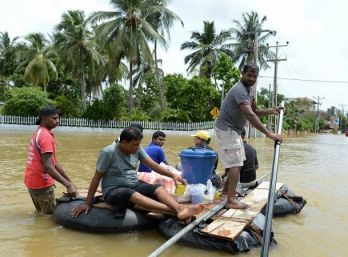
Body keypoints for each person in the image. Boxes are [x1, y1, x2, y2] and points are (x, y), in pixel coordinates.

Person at [71, 127, 203, 221]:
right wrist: (87, 203)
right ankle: (177, 210)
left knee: (157, 188)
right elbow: (96, 178)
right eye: (135, 145)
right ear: (124, 143)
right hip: (113, 191)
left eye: (138, 144)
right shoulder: (108, 152)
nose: (138, 147)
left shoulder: (137, 149)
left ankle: (179, 208)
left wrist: (173, 175)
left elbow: (154, 166)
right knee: (132, 194)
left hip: (133, 185)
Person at [215, 63, 283, 209]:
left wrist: (272, 110)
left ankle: (227, 192)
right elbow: (249, 114)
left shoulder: (250, 90)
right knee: (236, 163)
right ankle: (231, 200)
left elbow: (255, 110)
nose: (252, 78)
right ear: (243, 74)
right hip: (227, 129)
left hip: (235, 131)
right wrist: (269, 134)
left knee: (238, 161)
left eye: (255, 76)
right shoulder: (239, 89)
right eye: (249, 75)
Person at [24, 106, 77, 215]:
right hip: (42, 184)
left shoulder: (39, 132)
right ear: (44, 118)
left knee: (40, 214)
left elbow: (54, 162)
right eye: (54, 118)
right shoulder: (45, 136)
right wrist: (68, 185)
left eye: (58, 118)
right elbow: (48, 167)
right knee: (48, 218)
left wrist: (70, 182)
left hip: (32, 181)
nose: (58, 121)